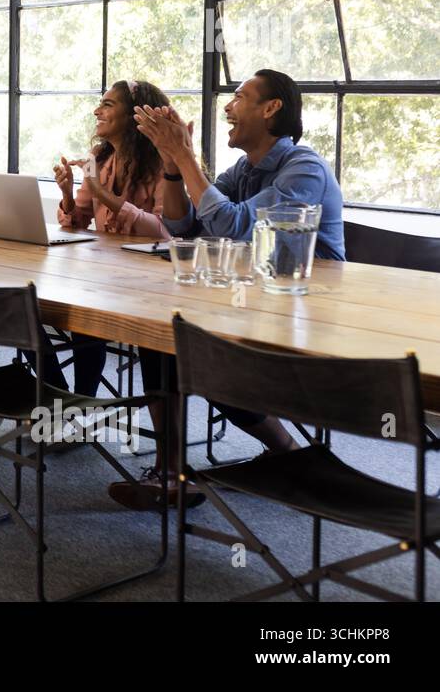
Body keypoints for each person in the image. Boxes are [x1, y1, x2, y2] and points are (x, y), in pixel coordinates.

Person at [108, 68, 346, 510]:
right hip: (254, 300)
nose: (228, 107)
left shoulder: (304, 169)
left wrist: (185, 157)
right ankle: (172, 470)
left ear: (271, 108)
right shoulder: (244, 169)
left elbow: (234, 229)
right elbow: (184, 227)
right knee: (164, 338)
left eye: (239, 97)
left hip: (305, 316)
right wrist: (171, 167)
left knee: (206, 354)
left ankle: (289, 453)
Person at [27, 80, 173, 397]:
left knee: (83, 310)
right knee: (19, 310)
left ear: (134, 114)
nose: (97, 110)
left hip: (151, 284)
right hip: (102, 275)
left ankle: (80, 406)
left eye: (108, 104)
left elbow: (165, 232)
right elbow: (77, 222)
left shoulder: (165, 163)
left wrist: (102, 194)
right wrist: (67, 194)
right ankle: (62, 400)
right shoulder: (101, 158)